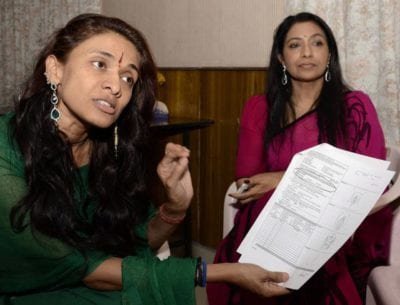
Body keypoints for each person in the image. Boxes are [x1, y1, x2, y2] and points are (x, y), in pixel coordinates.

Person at [0, 13, 290, 305]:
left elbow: (135, 246)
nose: (116, 86)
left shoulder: (109, 151)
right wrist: (222, 272)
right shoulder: (5, 149)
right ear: (55, 70)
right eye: (100, 64)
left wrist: (176, 207)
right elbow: (79, 268)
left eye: (128, 77)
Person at [207, 12, 392, 305]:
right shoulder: (260, 107)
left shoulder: (355, 106)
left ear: (329, 54)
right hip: (271, 221)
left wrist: (284, 178)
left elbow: (370, 180)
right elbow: (248, 179)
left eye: (317, 43)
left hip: (333, 226)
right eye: (295, 45)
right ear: (281, 57)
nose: (307, 52)